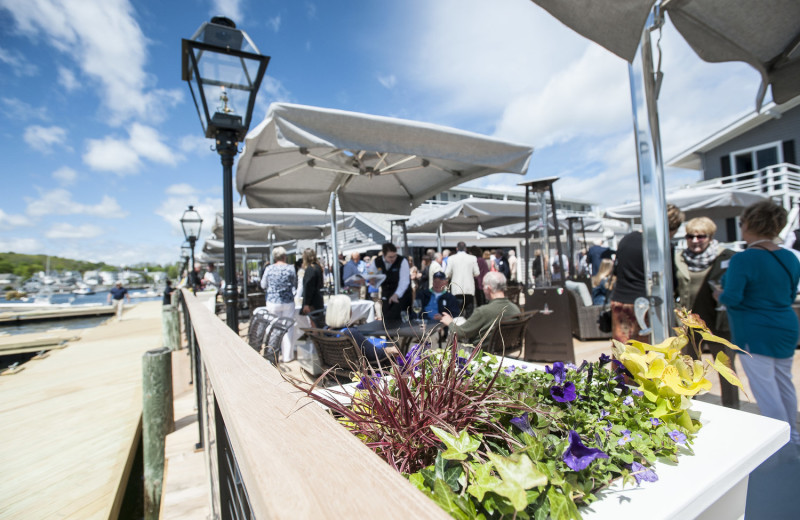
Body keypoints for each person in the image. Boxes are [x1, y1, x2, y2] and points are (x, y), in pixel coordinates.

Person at [717, 201, 800, 445]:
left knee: (765, 389)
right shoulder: (790, 257)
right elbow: (788, 294)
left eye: (741, 223)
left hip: (755, 330)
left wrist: (717, 294)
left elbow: (732, 297)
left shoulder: (744, 259)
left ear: (750, 224)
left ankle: (779, 444)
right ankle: (793, 436)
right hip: (786, 325)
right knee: (783, 382)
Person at [674, 217, 739, 407]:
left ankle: (732, 407)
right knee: (690, 368)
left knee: (726, 369)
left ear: (710, 237)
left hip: (719, 323)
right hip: (691, 326)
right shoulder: (679, 258)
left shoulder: (728, 257)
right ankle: (690, 406)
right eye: (690, 236)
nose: (695, 241)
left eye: (700, 236)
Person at [610, 204, 684, 344]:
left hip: (620, 301)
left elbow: (616, 272)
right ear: (672, 227)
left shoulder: (626, 239)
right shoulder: (662, 246)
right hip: (647, 307)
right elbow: (671, 282)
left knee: (622, 350)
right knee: (647, 354)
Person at [440, 272, 520, 344]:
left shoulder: (483, 311)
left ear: (489, 289)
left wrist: (450, 322)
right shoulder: (515, 309)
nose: (482, 290)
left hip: (482, 353)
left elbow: (460, 333)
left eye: (483, 287)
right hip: (504, 349)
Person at [325, 295, 400, 363]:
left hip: (338, 366)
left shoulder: (325, 331)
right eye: (350, 308)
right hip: (367, 368)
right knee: (394, 344)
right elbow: (374, 355)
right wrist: (389, 350)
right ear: (345, 312)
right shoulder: (350, 333)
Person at [260, 246, 298, 362]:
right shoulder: (290, 269)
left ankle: (272, 354)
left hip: (272, 301)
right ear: (284, 256)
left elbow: (263, 285)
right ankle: (287, 356)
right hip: (287, 301)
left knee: (273, 328)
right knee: (288, 329)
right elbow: (294, 285)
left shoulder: (269, 269)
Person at [373, 242, 412, 321]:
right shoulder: (376, 261)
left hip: (402, 296)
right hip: (386, 295)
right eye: (390, 257)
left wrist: (396, 294)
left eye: (394, 256)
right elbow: (371, 274)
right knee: (387, 320)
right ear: (384, 255)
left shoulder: (402, 261)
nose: (393, 259)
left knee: (402, 322)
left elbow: (404, 281)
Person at [445, 241, 480, 318]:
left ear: (457, 248)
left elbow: (447, 274)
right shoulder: (472, 258)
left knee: (457, 313)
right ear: (466, 249)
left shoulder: (451, 258)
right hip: (469, 289)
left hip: (456, 289)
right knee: (469, 314)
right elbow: (477, 272)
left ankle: (457, 330)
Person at [301, 248, 324, 317]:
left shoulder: (310, 269)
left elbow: (309, 287)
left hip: (312, 302)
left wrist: (306, 304)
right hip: (318, 299)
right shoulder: (318, 267)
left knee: (314, 324)